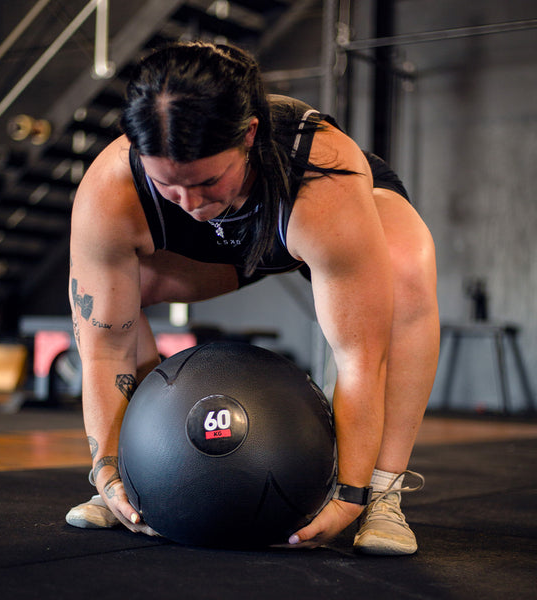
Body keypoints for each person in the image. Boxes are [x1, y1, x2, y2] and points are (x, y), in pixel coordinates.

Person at [65, 40, 440, 555]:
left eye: (206, 181)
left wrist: (351, 493)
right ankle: (137, 477)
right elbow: (103, 348)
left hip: (312, 217)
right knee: (109, 305)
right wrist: (108, 472)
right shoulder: (110, 189)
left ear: (249, 135)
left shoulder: (321, 172)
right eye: (169, 187)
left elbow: (358, 359)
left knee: (406, 271)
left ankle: (385, 495)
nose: (191, 204)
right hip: (223, 253)